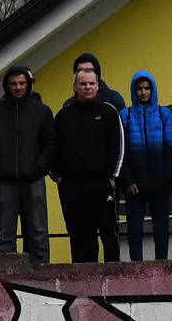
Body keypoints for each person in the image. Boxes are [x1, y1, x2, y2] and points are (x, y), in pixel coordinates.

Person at [0, 65, 55, 264]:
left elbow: (50, 143)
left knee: (39, 232)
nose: (18, 88)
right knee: (5, 235)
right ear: (6, 86)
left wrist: (38, 167)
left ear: (28, 85)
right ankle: (7, 277)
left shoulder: (42, 111)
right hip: (5, 181)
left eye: (22, 83)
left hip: (34, 180)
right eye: (13, 84)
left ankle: (41, 275)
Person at [51, 67, 128, 263]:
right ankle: (82, 282)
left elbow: (119, 146)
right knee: (80, 237)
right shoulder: (63, 116)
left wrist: (112, 177)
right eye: (83, 84)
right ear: (74, 87)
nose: (87, 87)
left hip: (102, 184)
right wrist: (58, 177)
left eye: (91, 83)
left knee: (109, 234)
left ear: (97, 85)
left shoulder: (109, 112)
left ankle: (113, 278)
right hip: (72, 187)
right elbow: (53, 148)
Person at [121, 71, 172, 261]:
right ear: (133, 90)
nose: (143, 92)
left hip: (159, 183)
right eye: (139, 88)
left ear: (152, 90)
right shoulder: (125, 115)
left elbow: (171, 149)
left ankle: (162, 267)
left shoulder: (164, 114)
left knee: (161, 231)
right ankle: (135, 270)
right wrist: (127, 180)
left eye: (147, 88)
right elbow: (122, 151)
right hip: (134, 185)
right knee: (134, 232)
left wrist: (167, 179)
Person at [63, 52, 127, 113]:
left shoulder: (113, 99)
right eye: (80, 70)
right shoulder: (68, 105)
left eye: (89, 70)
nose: (85, 74)